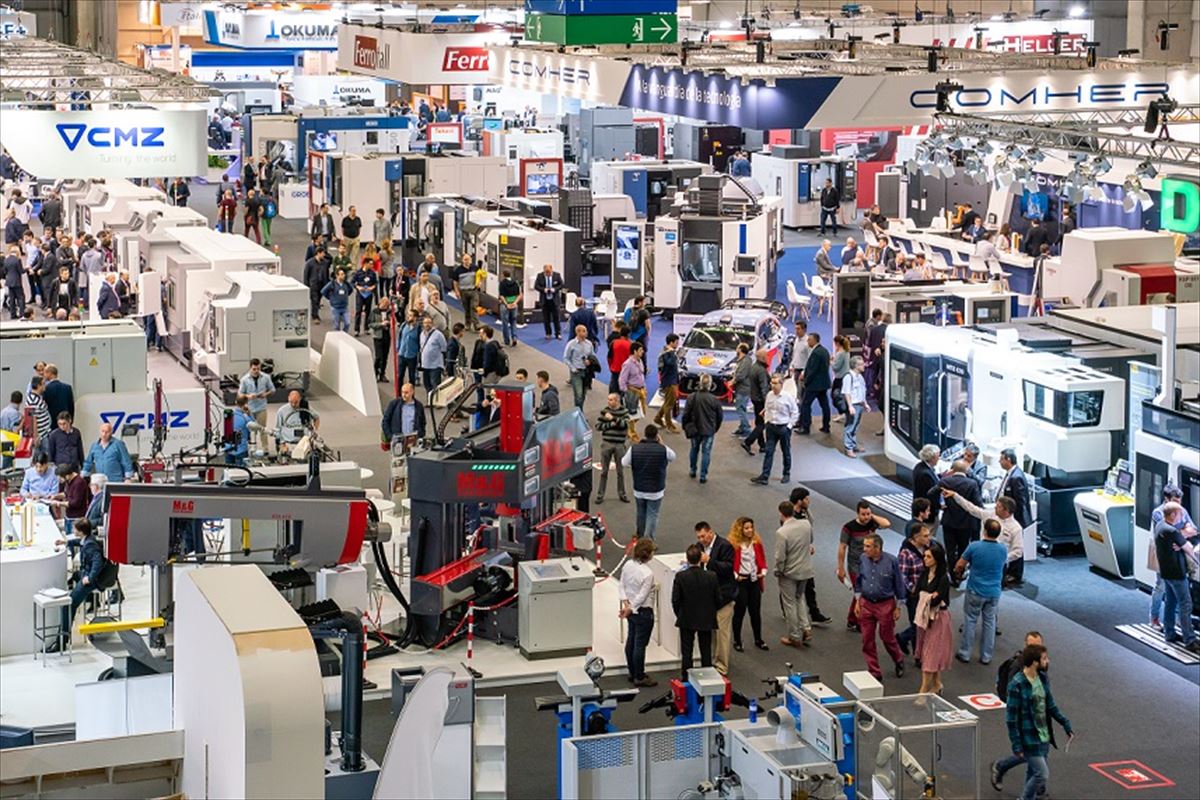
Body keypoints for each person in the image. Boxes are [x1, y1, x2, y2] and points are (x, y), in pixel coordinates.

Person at [995, 644, 1074, 800]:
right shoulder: (1016, 685)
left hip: (1043, 737)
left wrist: (1065, 723)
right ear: (1034, 662)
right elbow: (1011, 719)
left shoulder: (1042, 678)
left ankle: (1004, 770)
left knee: (1033, 773)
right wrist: (1016, 744)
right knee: (1042, 774)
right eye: (1044, 658)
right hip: (1028, 738)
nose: (1048, 661)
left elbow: (1050, 705)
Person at [855, 533, 908, 681]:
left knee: (887, 637)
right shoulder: (863, 559)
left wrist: (898, 607)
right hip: (866, 603)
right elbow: (859, 581)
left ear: (877, 548)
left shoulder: (892, 561)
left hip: (885, 604)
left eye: (868, 546)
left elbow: (899, 584)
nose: (864, 549)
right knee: (867, 639)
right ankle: (874, 671)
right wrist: (858, 601)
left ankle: (898, 659)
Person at [954, 518, 1008, 664]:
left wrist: (959, 572)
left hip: (975, 590)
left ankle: (965, 653)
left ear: (984, 531)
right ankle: (986, 656)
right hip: (994, 592)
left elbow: (960, 564)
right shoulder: (1003, 549)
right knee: (989, 623)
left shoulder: (974, 547)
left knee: (970, 620)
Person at [1149, 483, 1198, 628]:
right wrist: (1181, 533)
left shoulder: (1180, 510)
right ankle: (1154, 618)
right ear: (1166, 499)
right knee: (1161, 587)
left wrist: (1179, 536)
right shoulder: (1158, 513)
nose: (1179, 506)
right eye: (1175, 502)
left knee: (1175, 592)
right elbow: (1167, 532)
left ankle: (1178, 620)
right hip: (1163, 556)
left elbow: (1194, 529)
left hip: (1178, 555)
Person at [838, 501, 892, 631]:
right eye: (863, 514)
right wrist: (840, 567)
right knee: (861, 592)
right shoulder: (848, 527)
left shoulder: (871, 523)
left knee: (862, 592)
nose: (866, 517)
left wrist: (872, 517)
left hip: (870, 564)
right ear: (857, 513)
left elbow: (886, 524)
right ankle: (854, 620)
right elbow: (842, 547)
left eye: (868, 514)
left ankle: (853, 619)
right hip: (855, 565)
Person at [1154, 502, 1199, 651]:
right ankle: (1190, 640)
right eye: (1180, 514)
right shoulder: (1172, 531)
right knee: (1185, 604)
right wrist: (1183, 544)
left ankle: (1169, 633)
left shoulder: (1160, 526)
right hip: (1178, 573)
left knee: (1170, 603)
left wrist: (1180, 543)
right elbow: (1189, 548)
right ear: (1173, 515)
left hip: (1166, 572)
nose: (1182, 517)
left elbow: (1180, 543)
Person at [673, 543, 721, 678]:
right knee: (706, 650)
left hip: (687, 618)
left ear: (687, 559)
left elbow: (675, 600)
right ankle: (707, 678)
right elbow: (718, 599)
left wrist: (680, 614)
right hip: (706, 618)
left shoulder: (681, 576)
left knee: (686, 652)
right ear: (701, 558)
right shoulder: (711, 576)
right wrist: (711, 612)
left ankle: (686, 679)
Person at [695, 521, 737, 674]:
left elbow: (728, 568)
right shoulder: (699, 547)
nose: (701, 540)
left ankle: (721, 667)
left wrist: (709, 561)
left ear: (710, 533)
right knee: (712, 632)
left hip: (724, 598)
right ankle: (715, 659)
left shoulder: (725, 546)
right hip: (709, 598)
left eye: (703, 536)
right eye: (699, 537)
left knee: (722, 634)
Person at [622, 424, 675, 539]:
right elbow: (673, 456)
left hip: (639, 487)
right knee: (652, 514)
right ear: (657, 436)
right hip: (656, 489)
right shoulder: (663, 449)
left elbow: (624, 463)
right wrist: (662, 444)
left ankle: (640, 534)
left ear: (645, 435)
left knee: (641, 512)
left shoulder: (634, 449)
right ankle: (648, 540)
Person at [619, 537, 659, 687]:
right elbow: (642, 596)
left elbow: (621, 585)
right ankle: (639, 676)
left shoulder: (628, 564)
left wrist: (626, 604)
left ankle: (632, 672)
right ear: (648, 555)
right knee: (640, 644)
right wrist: (630, 608)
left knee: (631, 639)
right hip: (643, 612)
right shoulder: (647, 573)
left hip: (631, 609)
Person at [775, 500, 815, 647]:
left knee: (789, 603)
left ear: (781, 513)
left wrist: (778, 571)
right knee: (800, 598)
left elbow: (780, 557)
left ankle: (794, 636)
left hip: (789, 573)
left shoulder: (782, 532)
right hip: (805, 570)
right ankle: (806, 628)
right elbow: (810, 541)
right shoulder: (805, 524)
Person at [915, 541, 953, 694]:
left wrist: (928, 596)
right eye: (925, 556)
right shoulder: (924, 574)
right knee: (928, 650)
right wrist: (930, 595)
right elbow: (917, 590)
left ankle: (923, 690)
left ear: (936, 559)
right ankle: (937, 683)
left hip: (938, 619)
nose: (925, 559)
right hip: (924, 618)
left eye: (929, 557)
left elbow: (937, 599)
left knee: (931, 653)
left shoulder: (943, 578)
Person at [729, 517, 768, 653]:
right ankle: (737, 640)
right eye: (746, 528)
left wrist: (762, 572)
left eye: (751, 527)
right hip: (742, 581)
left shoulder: (756, 543)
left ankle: (758, 639)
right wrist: (736, 576)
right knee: (740, 611)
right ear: (740, 529)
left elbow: (762, 559)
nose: (750, 530)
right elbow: (731, 564)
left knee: (755, 611)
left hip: (754, 580)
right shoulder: (734, 545)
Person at [936, 460, 984, 572]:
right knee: (963, 548)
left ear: (953, 469)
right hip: (965, 522)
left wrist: (940, 505)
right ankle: (959, 572)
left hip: (949, 521)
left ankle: (951, 572)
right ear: (966, 470)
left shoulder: (945, 481)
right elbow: (978, 504)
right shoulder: (972, 484)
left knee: (950, 549)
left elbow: (931, 493)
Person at [751, 374, 798, 486]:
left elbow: (795, 412)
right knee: (769, 452)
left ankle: (786, 473)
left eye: (775, 383)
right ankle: (765, 476)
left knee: (785, 451)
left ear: (781, 384)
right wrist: (767, 421)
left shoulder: (788, 397)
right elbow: (767, 408)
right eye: (772, 383)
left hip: (783, 428)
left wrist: (789, 427)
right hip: (771, 427)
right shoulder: (769, 395)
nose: (773, 385)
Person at [896, 520, 932, 660]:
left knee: (925, 622)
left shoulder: (929, 549)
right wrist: (913, 590)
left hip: (927, 592)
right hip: (914, 595)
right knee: (918, 624)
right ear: (915, 538)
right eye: (925, 536)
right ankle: (918, 655)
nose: (928, 538)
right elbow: (902, 576)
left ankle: (903, 638)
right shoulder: (906, 554)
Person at [682, 374, 722, 483]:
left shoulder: (691, 397)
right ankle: (703, 475)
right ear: (710, 385)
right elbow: (719, 417)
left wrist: (685, 426)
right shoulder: (714, 399)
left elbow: (685, 414)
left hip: (694, 429)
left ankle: (692, 470)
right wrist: (715, 429)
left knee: (694, 449)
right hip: (708, 430)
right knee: (706, 452)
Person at [595, 393, 631, 504]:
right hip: (607, 443)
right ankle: (600, 495)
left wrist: (613, 419)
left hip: (619, 445)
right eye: (608, 399)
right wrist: (611, 424)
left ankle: (622, 494)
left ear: (617, 401)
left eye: (611, 400)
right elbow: (598, 426)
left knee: (620, 471)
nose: (609, 402)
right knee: (603, 471)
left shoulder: (624, 412)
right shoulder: (604, 412)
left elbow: (625, 425)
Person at [797, 333, 832, 435]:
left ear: (814, 340)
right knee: (825, 405)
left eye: (809, 340)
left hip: (814, 385)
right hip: (823, 384)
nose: (808, 342)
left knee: (805, 405)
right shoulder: (824, 351)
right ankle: (826, 426)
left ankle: (805, 427)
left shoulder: (816, 353)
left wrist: (806, 382)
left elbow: (812, 370)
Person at [996, 631, 1045, 702]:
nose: (1035, 650)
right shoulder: (1018, 665)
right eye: (1031, 647)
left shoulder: (1041, 662)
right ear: (1026, 646)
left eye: (1038, 647)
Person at [238, 359, 275, 452]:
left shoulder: (266, 378)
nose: (256, 371)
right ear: (250, 368)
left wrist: (265, 394)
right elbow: (240, 394)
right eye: (254, 369)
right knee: (250, 430)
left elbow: (273, 390)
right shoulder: (244, 380)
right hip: (249, 409)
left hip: (261, 407)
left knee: (263, 429)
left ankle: (265, 449)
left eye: (258, 369)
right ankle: (251, 449)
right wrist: (248, 396)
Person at [740, 349, 772, 456]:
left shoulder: (754, 367)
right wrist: (768, 402)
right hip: (761, 401)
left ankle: (762, 445)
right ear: (762, 358)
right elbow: (764, 388)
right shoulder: (761, 370)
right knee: (762, 424)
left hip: (754, 398)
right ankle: (748, 442)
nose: (768, 357)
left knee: (759, 422)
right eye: (766, 356)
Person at [382, 383, 426, 447]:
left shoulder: (419, 406)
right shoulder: (394, 404)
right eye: (402, 392)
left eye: (406, 393)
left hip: (413, 442)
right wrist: (391, 437)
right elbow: (385, 421)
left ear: (412, 392)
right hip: (397, 442)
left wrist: (420, 435)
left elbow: (422, 422)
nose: (403, 395)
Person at [619, 341, 647, 441]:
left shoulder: (640, 361)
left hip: (640, 390)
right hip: (632, 391)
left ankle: (625, 425)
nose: (643, 351)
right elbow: (622, 380)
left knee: (642, 413)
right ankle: (632, 432)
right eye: (640, 350)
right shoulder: (627, 364)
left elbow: (641, 375)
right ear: (634, 351)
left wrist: (644, 387)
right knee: (633, 413)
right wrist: (626, 391)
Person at [840, 355, 868, 457]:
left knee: (855, 426)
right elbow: (847, 393)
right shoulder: (848, 377)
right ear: (855, 366)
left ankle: (853, 444)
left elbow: (862, 391)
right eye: (861, 364)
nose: (863, 365)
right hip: (853, 406)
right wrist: (850, 406)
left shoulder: (860, 377)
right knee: (850, 426)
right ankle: (849, 448)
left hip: (859, 405)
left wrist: (865, 403)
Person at [998, 448, 1033, 529]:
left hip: (1015, 519)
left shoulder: (1016, 477)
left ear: (1008, 460)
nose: (999, 462)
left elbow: (1020, 502)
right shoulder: (1011, 474)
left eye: (1001, 459)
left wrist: (1012, 519)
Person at [563, 324, 596, 408]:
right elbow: (566, 358)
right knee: (578, 395)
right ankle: (579, 414)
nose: (586, 333)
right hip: (576, 372)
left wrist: (590, 361)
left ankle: (579, 411)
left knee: (583, 394)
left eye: (586, 331)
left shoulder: (589, 344)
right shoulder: (571, 344)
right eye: (584, 331)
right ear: (578, 332)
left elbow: (593, 355)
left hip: (586, 372)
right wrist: (572, 368)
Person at [654, 334, 681, 432]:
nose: (678, 344)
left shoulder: (669, 352)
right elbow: (670, 363)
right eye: (676, 342)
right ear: (671, 342)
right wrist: (675, 354)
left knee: (668, 401)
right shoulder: (666, 352)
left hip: (671, 379)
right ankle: (669, 425)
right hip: (669, 381)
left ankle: (658, 418)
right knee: (669, 404)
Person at [912, 444, 942, 527]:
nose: (939, 459)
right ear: (932, 458)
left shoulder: (920, 466)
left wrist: (941, 476)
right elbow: (929, 494)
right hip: (927, 514)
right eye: (938, 456)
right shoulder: (925, 474)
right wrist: (940, 506)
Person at [451, 253, 482, 331]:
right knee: (467, 308)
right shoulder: (458, 270)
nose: (467, 261)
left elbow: (481, 276)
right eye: (465, 259)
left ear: (471, 260)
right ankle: (468, 324)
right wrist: (456, 291)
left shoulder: (475, 268)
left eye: (468, 259)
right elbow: (455, 281)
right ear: (462, 260)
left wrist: (480, 282)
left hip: (473, 290)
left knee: (473, 307)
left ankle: (476, 324)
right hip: (463, 291)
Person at [418, 315, 447, 397]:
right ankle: (430, 400)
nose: (427, 325)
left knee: (435, 384)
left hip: (435, 364)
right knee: (427, 383)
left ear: (432, 324)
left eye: (429, 323)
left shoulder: (438, 334)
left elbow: (444, 348)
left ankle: (438, 401)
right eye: (425, 323)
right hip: (425, 364)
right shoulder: (422, 334)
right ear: (423, 324)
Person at [533, 263, 563, 339]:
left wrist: (555, 289)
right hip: (545, 301)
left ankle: (558, 333)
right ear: (544, 271)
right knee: (546, 319)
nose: (548, 274)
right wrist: (543, 290)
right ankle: (548, 333)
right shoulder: (540, 276)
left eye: (549, 272)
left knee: (556, 318)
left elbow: (561, 284)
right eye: (546, 273)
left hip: (554, 300)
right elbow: (536, 286)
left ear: (551, 270)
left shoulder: (557, 275)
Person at [368, 296, 393, 383]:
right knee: (379, 356)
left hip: (387, 336)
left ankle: (382, 374)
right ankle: (375, 373)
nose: (386, 306)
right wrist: (381, 324)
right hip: (378, 336)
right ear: (380, 303)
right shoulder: (375, 312)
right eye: (385, 304)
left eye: (387, 304)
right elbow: (370, 324)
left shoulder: (389, 311)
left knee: (385, 356)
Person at [350, 261, 378, 336]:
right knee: (358, 311)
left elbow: (375, 283)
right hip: (360, 294)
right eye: (370, 264)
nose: (372, 265)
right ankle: (357, 329)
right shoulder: (358, 273)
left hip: (369, 294)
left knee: (368, 311)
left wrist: (372, 287)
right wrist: (358, 287)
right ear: (365, 264)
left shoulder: (372, 273)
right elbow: (352, 282)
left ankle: (366, 328)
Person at [322, 268, 352, 333]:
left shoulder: (346, 284)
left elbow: (350, 290)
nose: (343, 276)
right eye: (341, 274)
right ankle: (338, 337)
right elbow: (323, 291)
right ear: (337, 275)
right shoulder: (332, 284)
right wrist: (330, 298)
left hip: (344, 307)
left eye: (343, 274)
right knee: (336, 325)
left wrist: (345, 296)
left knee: (347, 323)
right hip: (335, 308)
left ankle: (344, 334)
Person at [25, 376, 52, 449]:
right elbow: (34, 419)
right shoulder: (33, 400)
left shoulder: (38, 396)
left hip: (45, 432)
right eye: (43, 384)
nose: (45, 386)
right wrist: (36, 436)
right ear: (38, 385)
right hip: (42, 435)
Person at [396, 310, 421, 388]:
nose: (408, 317)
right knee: (400, 376)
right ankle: (400, 395)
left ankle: (411, 395)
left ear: (415, 317)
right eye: (408, 315)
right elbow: (399, 337)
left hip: (412, 356)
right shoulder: (404, 325)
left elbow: (420, 342)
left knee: (411, 378)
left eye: (411, 315)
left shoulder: (419, 329)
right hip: (402, 354)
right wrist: (398, 347)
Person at [497, 269, 522, 346]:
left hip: (505, 305)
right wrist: (515, 303)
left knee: (505, 323)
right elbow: (520, 294)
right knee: (513, 322)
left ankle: (506, 341)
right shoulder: (516, 283)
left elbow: (501, 295)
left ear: (503, 275)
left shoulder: (502, 283)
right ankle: (514, 338)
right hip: (514, 304)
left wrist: (506, 304)